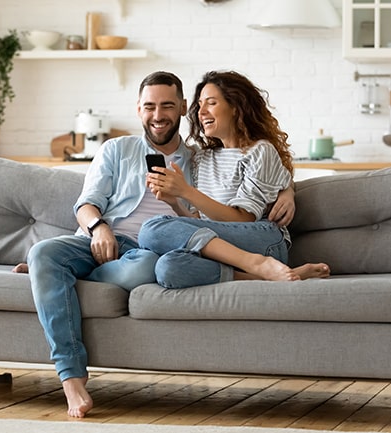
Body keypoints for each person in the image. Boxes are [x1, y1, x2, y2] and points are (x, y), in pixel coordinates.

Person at [21, 71, 295, 418]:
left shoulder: (199, 157)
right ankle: (71, 377)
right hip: (100, 241)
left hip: (149, 251)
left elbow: (254, 170)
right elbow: (86, 203)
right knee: (43, 252)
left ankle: (52, 277)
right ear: (138, 110)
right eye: (149, 106)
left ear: (183, 108)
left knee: (147, 264)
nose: (158, 114)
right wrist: (98, 227)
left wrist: (289, 191)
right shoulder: (117, 149)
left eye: (167, 105)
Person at [138, 70, 330, 288]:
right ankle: (263, 274)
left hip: (261, 240)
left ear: (236, 107)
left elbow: (243, 219)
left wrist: (186, 191)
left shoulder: (259, 151)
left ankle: (258, 263)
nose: (201, 112)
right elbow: (201, 223)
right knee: (168, 267)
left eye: (211, 103)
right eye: (199, 105)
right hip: (222, 245)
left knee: (151, 229)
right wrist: (174, 202)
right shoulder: (202, 158)